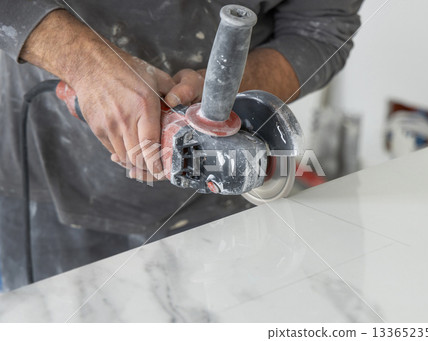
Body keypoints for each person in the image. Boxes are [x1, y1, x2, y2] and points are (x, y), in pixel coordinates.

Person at [0, 0, 363, 291]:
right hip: (39, 179)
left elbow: (321, 30)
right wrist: (84, 63)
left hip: (211, 210)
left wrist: (223, 90)